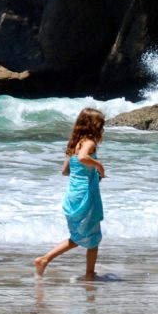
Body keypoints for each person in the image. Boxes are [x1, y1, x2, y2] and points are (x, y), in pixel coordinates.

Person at [34, 107, 106, 279]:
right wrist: (99, 167)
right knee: (93, 238)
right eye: (101, 125)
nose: (102, 129)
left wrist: (86, 172)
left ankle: (45, 260)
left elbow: (65, 171)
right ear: (94, 126)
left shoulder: (74, 144)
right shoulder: (89, 143)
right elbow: (82, 158)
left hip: (73, 195)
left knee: (79, 236)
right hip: (85, 196)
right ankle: (89, 274)